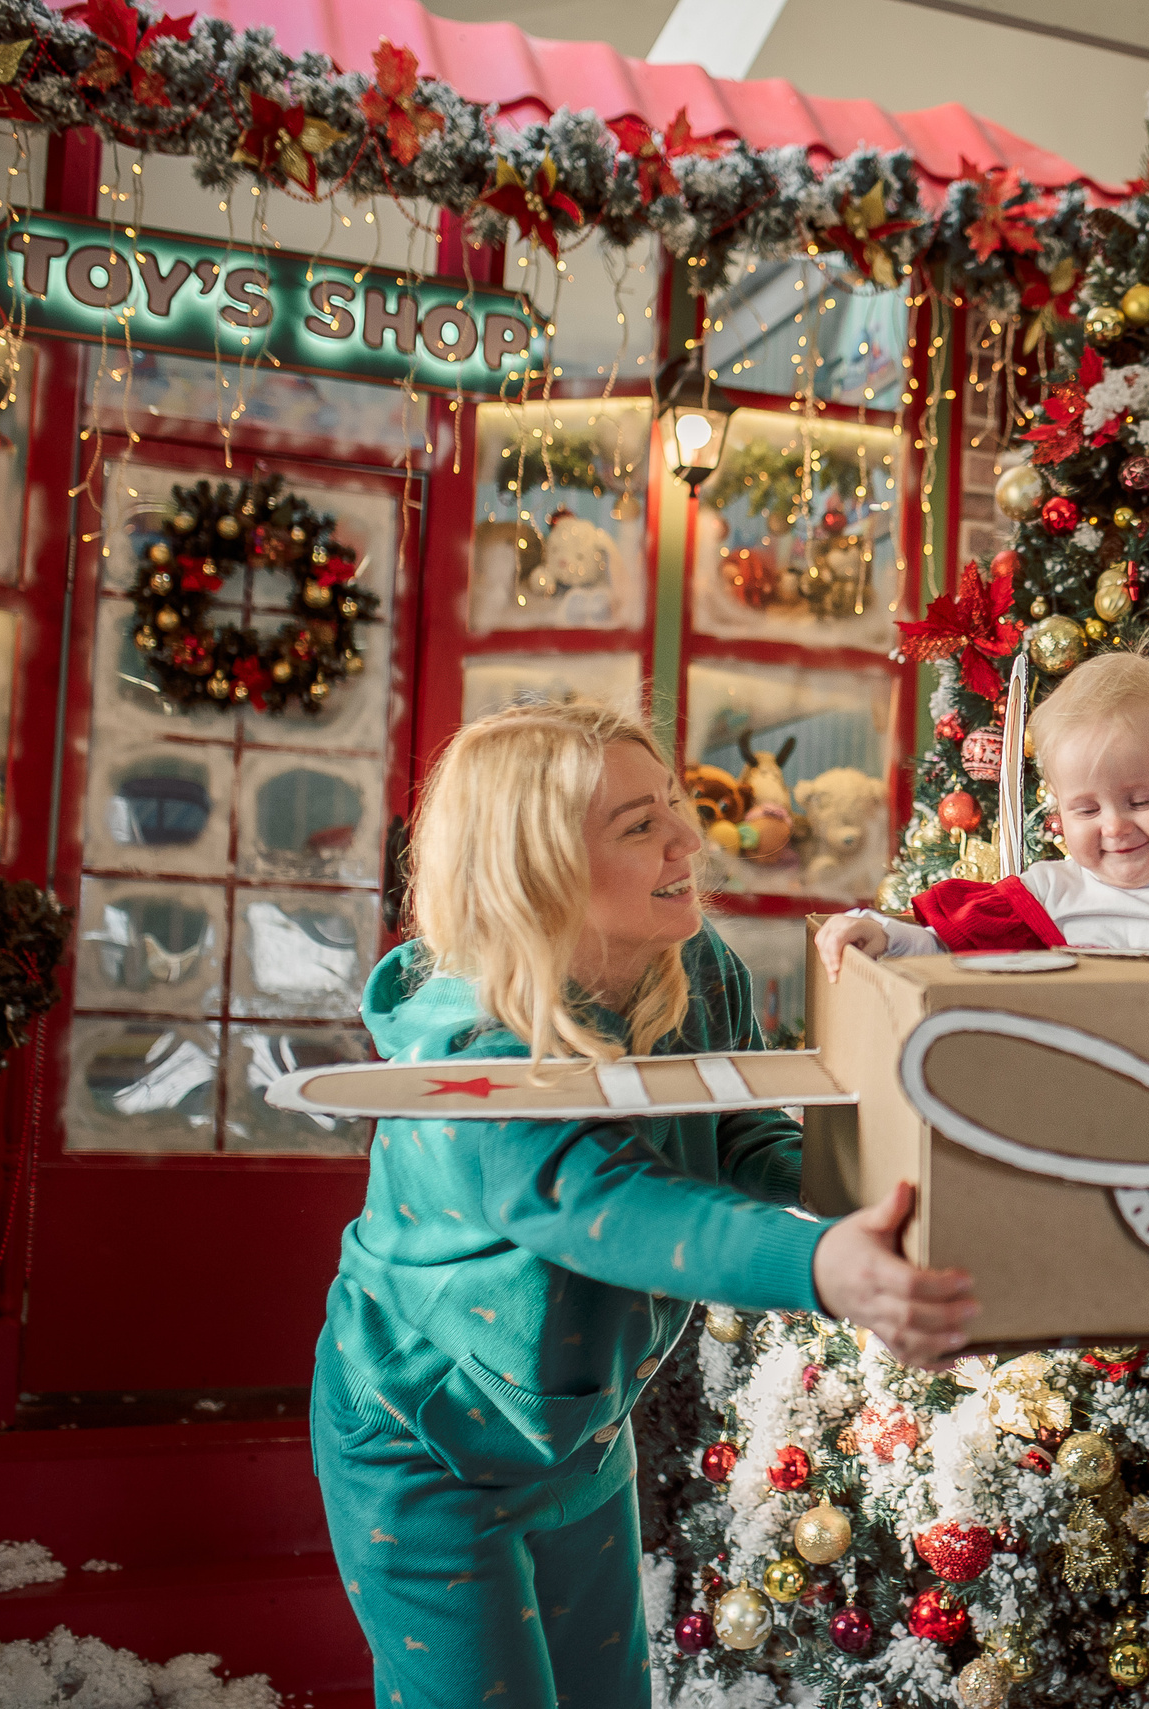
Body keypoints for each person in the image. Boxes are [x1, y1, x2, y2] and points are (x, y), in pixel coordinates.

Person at [309, 700, 979, 1709]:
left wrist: (886, 1204)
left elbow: (739, 1134)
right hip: (423, 1448)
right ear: (539, 869)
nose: (688, 838)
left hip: (578, 1431)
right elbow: (612, 1207)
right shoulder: (470, 1054)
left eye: (673, 804)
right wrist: (820, 1265)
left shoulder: (692, 964)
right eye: (639, 825)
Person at [814, 650, 1149, 967]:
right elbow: (946, 945)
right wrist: (882, 935)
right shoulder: (1048, 890)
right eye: (1084, 810)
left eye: (1142, 800)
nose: (1114, 827)